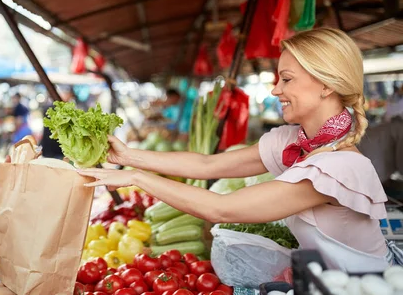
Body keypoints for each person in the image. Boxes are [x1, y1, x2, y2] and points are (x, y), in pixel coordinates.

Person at [79, 27, 403, 271]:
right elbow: (208, 166)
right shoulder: (296, 142)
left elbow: (223, 209)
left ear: (327, 84)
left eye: (286, 79)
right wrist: (128, 156)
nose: (276, 89)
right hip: (328, 284)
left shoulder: (338, 166)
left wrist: (137, 177)